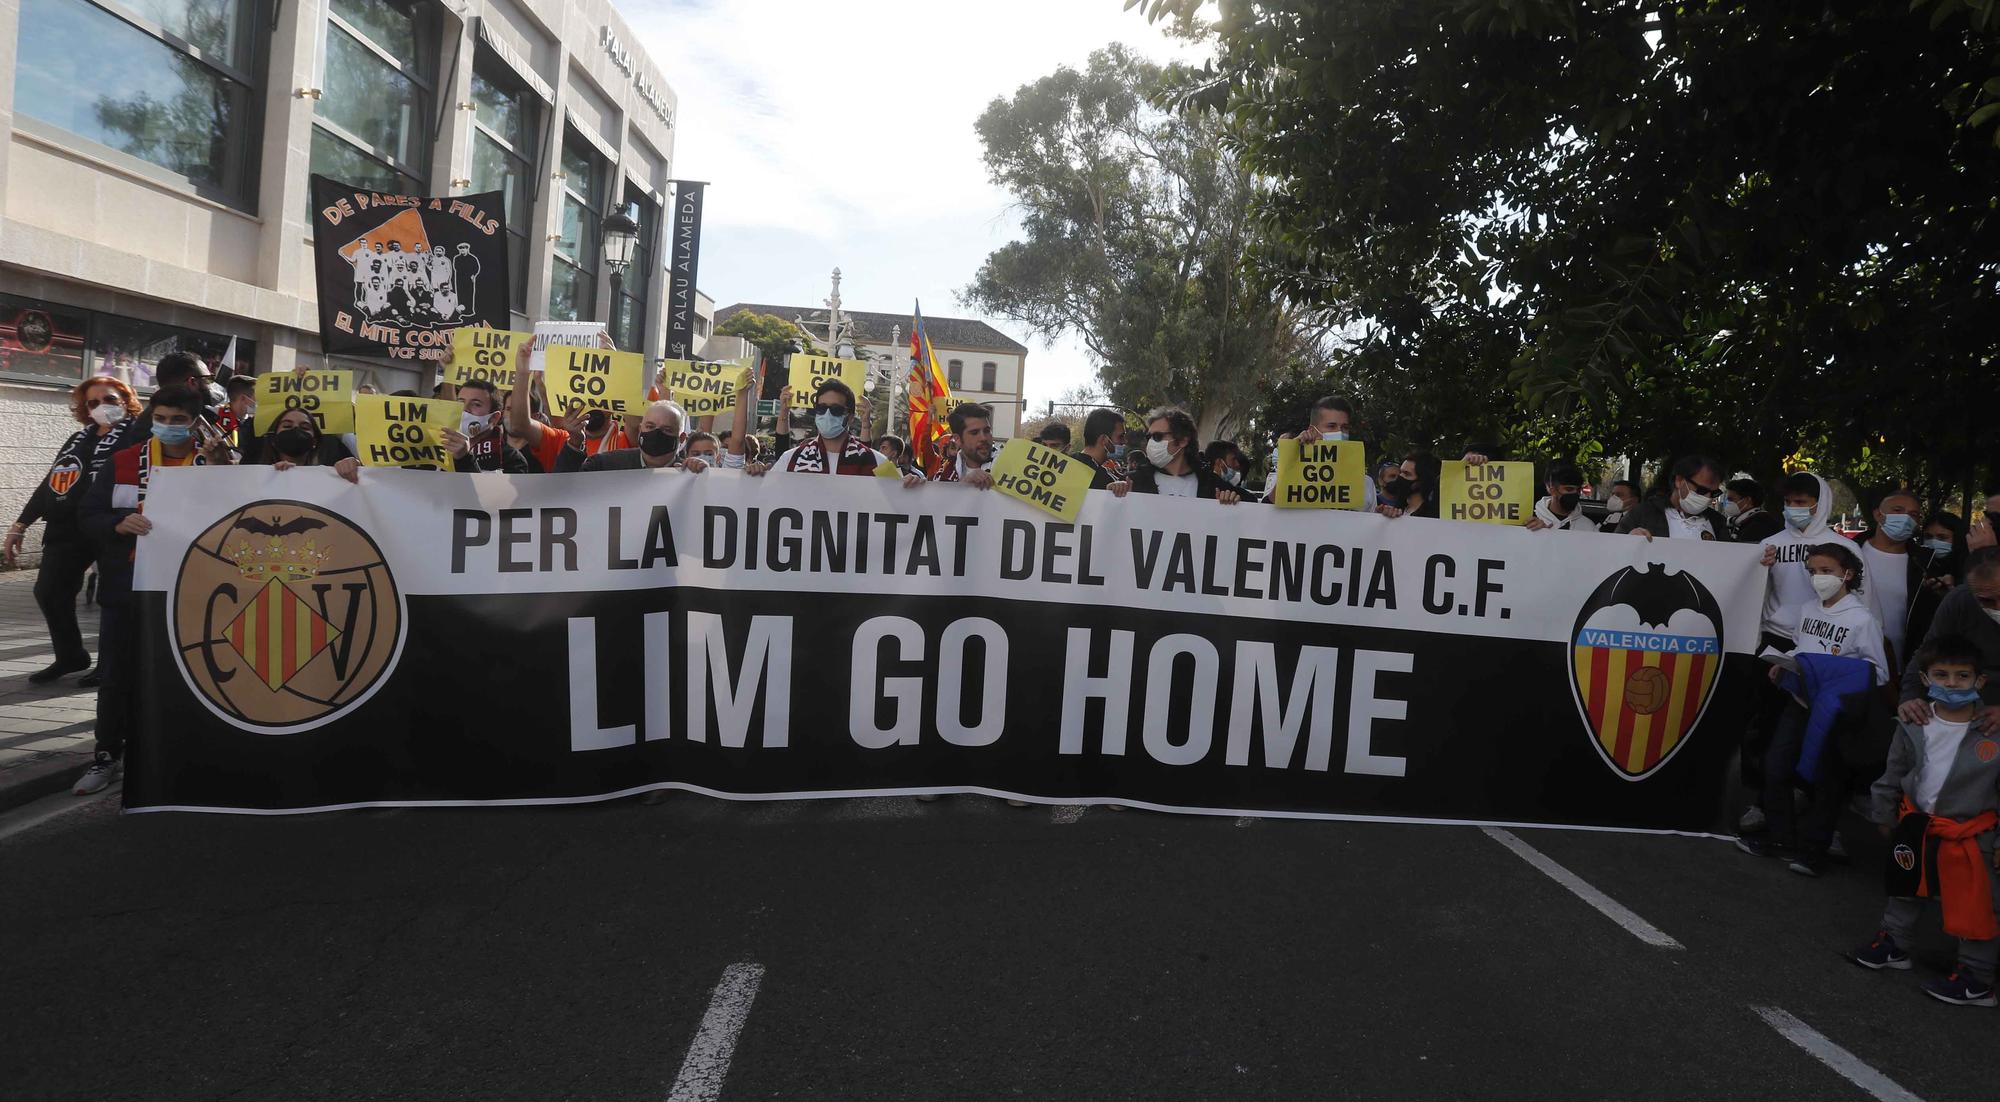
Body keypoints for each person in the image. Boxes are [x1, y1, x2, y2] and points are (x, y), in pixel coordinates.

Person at [73, 387, 231, 795]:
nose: (169, 426)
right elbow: (88, 514)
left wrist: (222, 471)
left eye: (179, 420)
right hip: (128, 589)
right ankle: (107, 755)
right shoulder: (123, 461)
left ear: (195, 422)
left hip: (194, 592)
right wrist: (117, 524)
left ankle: (193, 754)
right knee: (115, 676)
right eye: (161, 418)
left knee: (193, 674)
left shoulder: (214, 462)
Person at [1848, 635, 2000, 1007]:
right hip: (1917, 825)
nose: (1951, 683)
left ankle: (1977, 978)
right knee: (1905, 886)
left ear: (1979, 682)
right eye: (1942, 675)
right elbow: (1894, 770)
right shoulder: (1914, 723)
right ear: (1927, 679)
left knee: (1977, 902)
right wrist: (1884, 813)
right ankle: (1894, 943)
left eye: (1962, 676)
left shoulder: (1993, 730)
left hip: (1971, 834)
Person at [1738, 541, 1889, 873]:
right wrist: (1785, 663)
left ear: (1847, 574)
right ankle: (1780, 838)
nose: (1818, 578)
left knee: (1825, 780)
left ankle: (1813, 849)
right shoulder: (1807, 609)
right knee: (1776, 767)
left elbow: (1877, 673)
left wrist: (1831, 675)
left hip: (1834, 712)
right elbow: (1801, 648)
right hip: (1799, 702)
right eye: (1812, 571)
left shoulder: (1861, 619)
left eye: (1826, 571)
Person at [5, 376, 140, 685]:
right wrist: (20, 524)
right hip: (67, 527)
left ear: (126, 401)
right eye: (93, 402)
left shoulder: (136, 435)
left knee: (111, 597)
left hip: (111, 524)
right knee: (49, 591)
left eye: (109, 400)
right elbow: (52, 483)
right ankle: (70, 655)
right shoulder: (78, 439)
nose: (101, 407)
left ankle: (108, 666)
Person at [1896, 548, 2000, 733]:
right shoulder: (1960, 601)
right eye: (1987, 601)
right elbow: (1926, 652)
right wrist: (1910, 697)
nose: (1997, 607)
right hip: (1964, 710)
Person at [743, 380, 904, 479]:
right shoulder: (791, 459)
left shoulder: (877, 462)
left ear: (849, 416)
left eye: (835, 409)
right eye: (821, 408)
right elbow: (767, 499)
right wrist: (754, 475)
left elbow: (900, 501)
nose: (827, 414)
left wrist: (915, 487)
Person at [1852, 489, 1933, 673]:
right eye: (1898, 510)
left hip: (1898, 668)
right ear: (1878, 514)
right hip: (1848, 661)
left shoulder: (1924, 564)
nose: (1906, 518)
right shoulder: (1849, 552)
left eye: (1913, 514)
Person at [1755, 472, 1837, 649]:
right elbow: (1755, 592)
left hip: (1823, 637)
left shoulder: (1842, 548)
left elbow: (1860, 594)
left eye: (1800, 502)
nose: (1792, 507)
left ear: (1820, 504)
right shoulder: (1769, 544)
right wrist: (1759, 567)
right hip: (1775, 635)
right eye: (1787, 502)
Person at [1128, 407, 1239, 503]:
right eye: (1149, 437)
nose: (1151, 442)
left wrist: (1232, 500)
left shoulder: (1212, 485)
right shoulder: (1134, 481)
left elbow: (1249, 505)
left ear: (1183, 440)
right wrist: (1114, 492)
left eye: (1157, 437)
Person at [1619, 456, 1729, 541]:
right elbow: (1612, 551)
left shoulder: (1717, 522)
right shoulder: (1643, 514)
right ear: (1679, 481)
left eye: (1714, 493)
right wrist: (1629, 540)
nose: (1707, 497)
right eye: (1701, 490)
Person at [560, 400, 689, 472]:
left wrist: (704, 474)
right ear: (640, 430)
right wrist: (574, 443)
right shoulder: (605, 465)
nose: (657, 434)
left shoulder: (690, 473)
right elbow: (563, 490)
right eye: (650, 427)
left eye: (666, 429)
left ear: (681, 438)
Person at [253, 409, 362, 482]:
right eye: (287, 426)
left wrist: (357, 467)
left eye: (305, 428)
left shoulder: (330, 476)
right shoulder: (253, 477)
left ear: (314, 441)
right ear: (273, 439)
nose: (296, 429)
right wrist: (270, 476)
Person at [931, 403, 1000, 486]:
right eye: (974, 433)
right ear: (957, 439)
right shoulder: (944, 473)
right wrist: (914, 487)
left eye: (987, 430)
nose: (983, 438)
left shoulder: (1009, 466)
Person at [1070, 408, 1131, 495]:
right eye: (1121, 437)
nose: (1124, 442)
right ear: (1104, 440)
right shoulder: (1104, 480)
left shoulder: (1064, 464)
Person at [1525, 462, 1595, 533]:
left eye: (1578, 490)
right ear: (1553, 491)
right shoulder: (1532, 521)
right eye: (1569, 489)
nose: (1574, 493)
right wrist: (1539, 534)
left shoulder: (1589, 527)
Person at [1724, 478, 1782, 543]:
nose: (1728, 503)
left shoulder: (1761, 524)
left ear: (1747, 500)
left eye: (1731, 499)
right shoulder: (1740, 523)